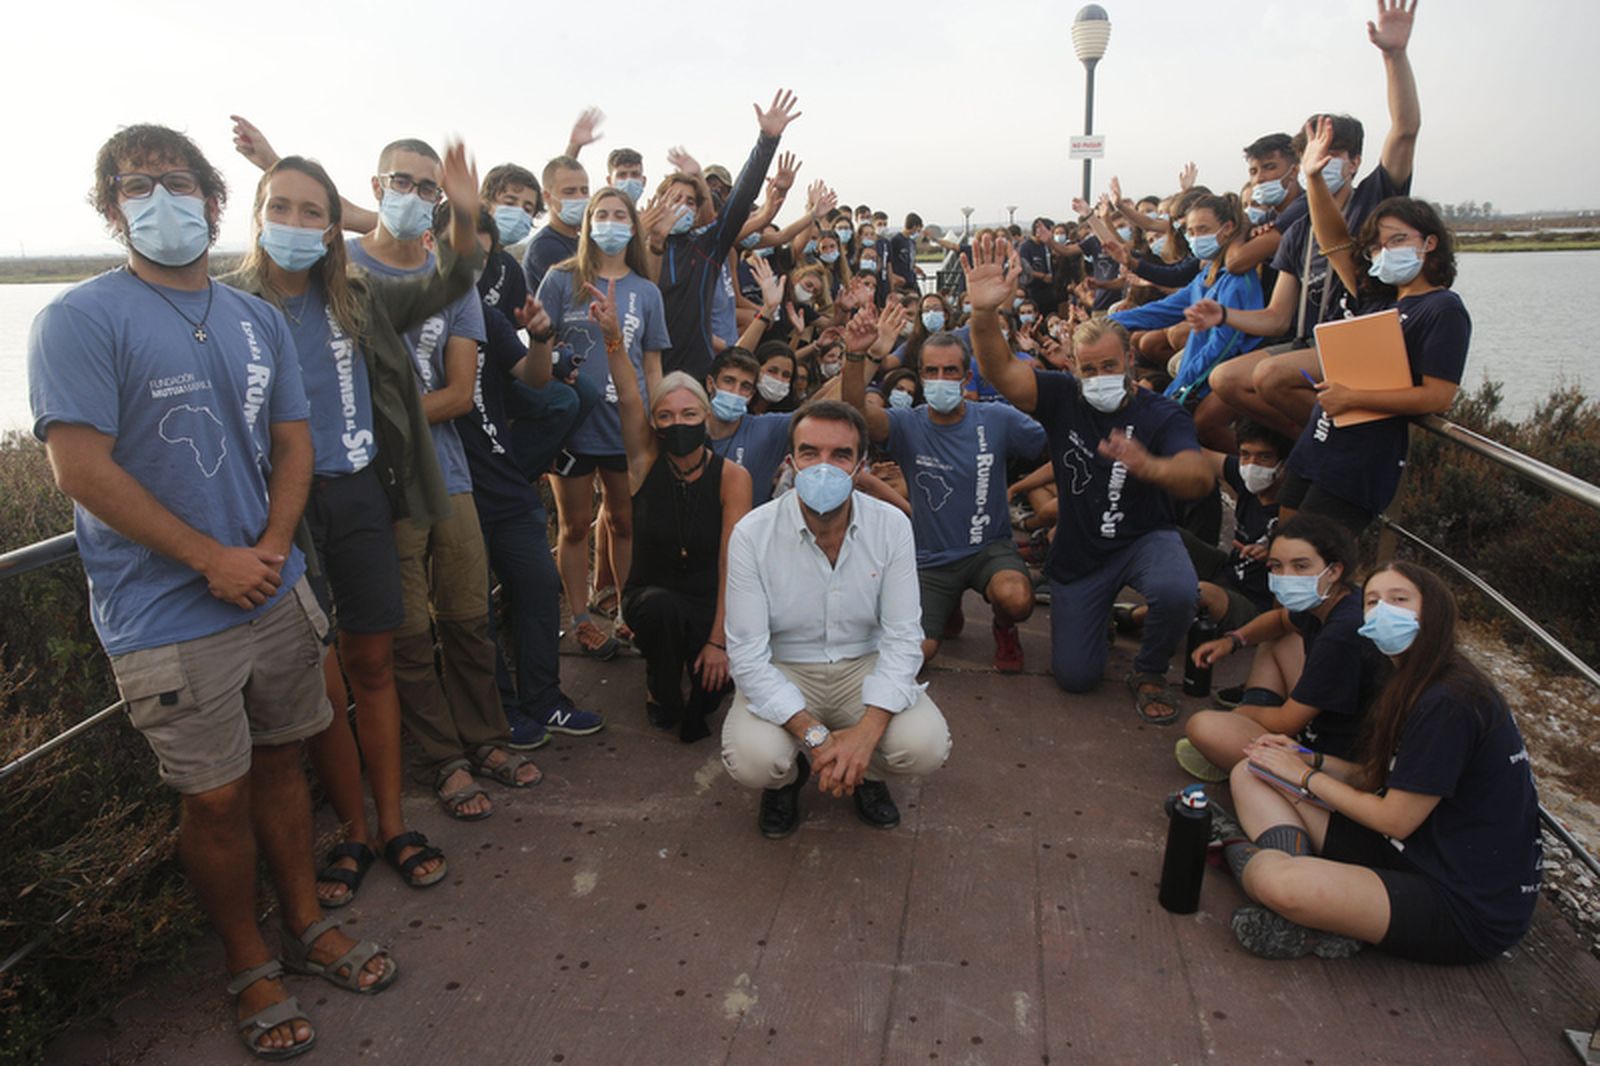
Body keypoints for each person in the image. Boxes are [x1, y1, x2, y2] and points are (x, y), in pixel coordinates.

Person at [29, 124, 395, 1060]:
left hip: (272, 588)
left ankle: (305, 923)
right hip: (165, 614)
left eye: (177, 182)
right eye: (135, 186)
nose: (160, 199)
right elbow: (80, 468)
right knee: (216, 798)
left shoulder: (254, 318)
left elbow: (294, 443)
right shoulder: (79, 319)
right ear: (111, 208)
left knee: (283, 764)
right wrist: (208, 559)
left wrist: (267, 548)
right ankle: (247, 961)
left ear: (213, 200)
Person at [227, 151, 479, 906]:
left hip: (363, 498)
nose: (295, 223)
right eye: (280, 207)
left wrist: (463, 212)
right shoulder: (230, 306)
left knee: (373, 664)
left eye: (312, 211)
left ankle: (394, 824)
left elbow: (451, 282)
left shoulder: (358, 296)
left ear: (334, 225)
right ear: (257, 216)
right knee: (320, 678)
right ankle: (354, 830)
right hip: (282, 512)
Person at [347, 136, 542, 819]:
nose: (414, 195)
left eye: (428, 187)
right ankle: (442, 758)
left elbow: (459, 393)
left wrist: (377, 420)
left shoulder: (451, 280)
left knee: (466, 617)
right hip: (377, 486)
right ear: (377, 185)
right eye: (402, 181)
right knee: (406, 635)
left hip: (448, 475)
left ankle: (486, 738)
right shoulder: (340, 269)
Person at [1221, 561, 1541, 964]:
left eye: (1399, 599)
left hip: (1460, 902)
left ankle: (1240, 850)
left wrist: (1304, 776)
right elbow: (1378, 778)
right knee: (1253, 770)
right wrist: (1307, 758)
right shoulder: (1411, 679)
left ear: (1434, 612)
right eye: (1372, 601)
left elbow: (1394, 819)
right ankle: (1319, 901)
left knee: (1277, 882)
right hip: (1410, 850)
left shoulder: (1451, 700)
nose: (1382, 610)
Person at [965, 235, 1214, 724]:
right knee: (1076, 677)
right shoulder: (1063, 396)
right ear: (1074, 369)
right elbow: (1000, 370)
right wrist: (983, 314)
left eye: (1109, 366)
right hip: (1081, 552)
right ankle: (1102, 618)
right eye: (1089, 369)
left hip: (1144, 538)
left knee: (1178, 591)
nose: (1099, 376)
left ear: (1130, 362)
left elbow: (1198, 477)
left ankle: (1149, 669)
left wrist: (1151, 467)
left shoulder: (1161, 414)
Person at [722, 400, 952, 838]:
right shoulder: (753, 533)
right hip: (784, 666)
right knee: (755, 760)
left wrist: (866, 734)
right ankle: (789, 781)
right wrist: (817, 738)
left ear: (861, 466)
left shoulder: (892, 526)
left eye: (840, 455)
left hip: (862, 665)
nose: (823, 467)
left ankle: (865, 771)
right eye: (810, 453)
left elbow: (904, 637)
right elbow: (747, 654)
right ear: (790, 463)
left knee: (925, 746)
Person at [1199, 0, 1422, 439]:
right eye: (1311, 152)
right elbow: (1277, 317)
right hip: (1308, 342)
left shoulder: (1377, 200)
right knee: (1225, 380)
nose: (1319, 160)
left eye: (1332, 152)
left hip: (1363, 341)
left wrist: (1394, 57)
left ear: (1354, 161)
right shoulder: (1298, 229)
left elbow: (1405, 130)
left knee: (1270, 377)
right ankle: (1313, 441)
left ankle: (1339, 441)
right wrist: (1222, 313)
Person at [444, 201, 606, 747]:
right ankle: (501, 712)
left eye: (481, 259)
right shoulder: (408, 319)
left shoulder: (482, 315)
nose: (470, 268)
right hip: (452, 486)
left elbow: (535, 380)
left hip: (504, 477)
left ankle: (544, 700)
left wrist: (539, 338)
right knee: (475, 612)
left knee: (538, 586)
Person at [1275, 117, 1470, 534]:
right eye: (1378, 246)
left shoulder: (1443, 309)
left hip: (1359, 462)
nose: (1385, 252)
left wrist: (1353, 396)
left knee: (1317, 553)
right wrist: (1314, 179)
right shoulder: (1376, 297)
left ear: (1429, 242)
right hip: (1320, 441)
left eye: (1397, 240)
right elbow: (1333, 241)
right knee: (1284, 544)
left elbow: (1438, 396)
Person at [587, 278, 754, 740]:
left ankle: (697, 658)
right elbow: (629, 396)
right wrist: (613, 339)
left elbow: (733, 562)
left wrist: (719, 641)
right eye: (666, 416)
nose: (677, 423)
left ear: (706, 417)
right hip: (651, 597)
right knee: (663, 616)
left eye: (688, 415)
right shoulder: (645, 464)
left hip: (707, 601)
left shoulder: (732, 477)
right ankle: (658, 684)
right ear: (656, 424)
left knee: (707, 699)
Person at [841, 316, 1046, 673]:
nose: (941, 379)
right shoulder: (906, 424)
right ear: (921, 377)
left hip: (989, 549)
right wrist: (856, 356)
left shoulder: (997, 418)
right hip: (930, 558)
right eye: (931, 371)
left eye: (950, 371)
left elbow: (1051, 440)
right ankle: (947, 606)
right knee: (915, 656)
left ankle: (1004, 626)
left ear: (966, 378)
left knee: (1016, 599)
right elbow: (856, 414)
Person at [534, 185, 671, 659]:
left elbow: (651, 365)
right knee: (573, 526)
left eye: (620, 215)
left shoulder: (646, 292)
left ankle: (626, 612)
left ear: (633, 227)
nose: (610, 222)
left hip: (626, 428)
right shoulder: (560, 280)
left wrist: (656, 420)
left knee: (624, 521)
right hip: (572, 427)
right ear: (588, 223)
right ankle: (580, 619)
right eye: (602, 214)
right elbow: (537, 348)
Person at [1181, 515, 1390, 781]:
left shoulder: (1342, 632)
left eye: (1300, 566)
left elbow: (1287, 721)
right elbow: (1280, 620)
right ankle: (1253, 731)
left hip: (1343, 758)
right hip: (1329, 719)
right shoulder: (1333, 598)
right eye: (1277, 566)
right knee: (1280, 637)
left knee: (1203, 727)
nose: (1286, 576)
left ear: (1334, 570)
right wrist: (1232, 641)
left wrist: (1243, 714)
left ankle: (1266, 759)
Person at [646, 90, 801, 382]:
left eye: (690, 201)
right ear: (658, 202)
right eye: (675, 198)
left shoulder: (706, 246)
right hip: (650, 373)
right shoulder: (636, 248)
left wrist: (767, 141)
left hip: (698, 374)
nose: (682, 206)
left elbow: (741, 199)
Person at [1108, 193, 1264, 452]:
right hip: (1199, 373)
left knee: (1198, 426)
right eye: (1191, 231)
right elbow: (1166, 309)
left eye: (1203, 229)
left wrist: (1181, 387)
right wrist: (1113, 322)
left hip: (1226, 372)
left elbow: (1222, 348)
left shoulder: (1238, 281)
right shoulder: (1208, 274)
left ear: (1227, 228)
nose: (1195, 238)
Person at [886, 213, 922, 292]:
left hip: (912, 280)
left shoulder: (912, 242)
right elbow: (888, 260)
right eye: (918, 229)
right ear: (914, 226)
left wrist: (915, 268)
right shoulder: (896, 240)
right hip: (901, 282)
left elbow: (910, 260)